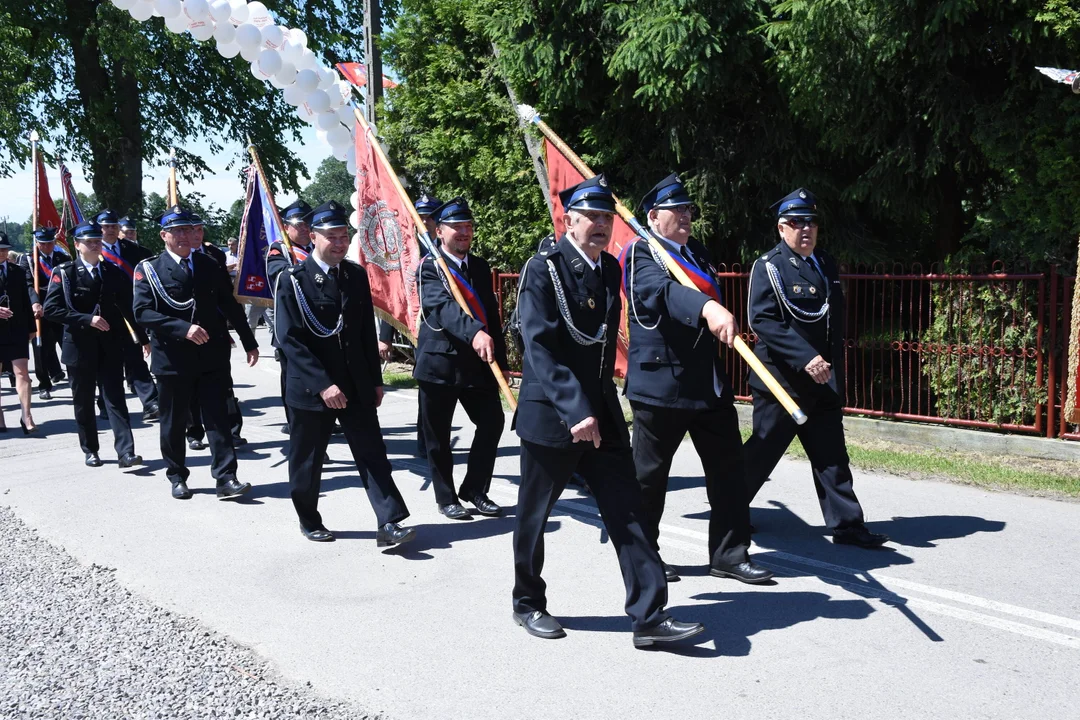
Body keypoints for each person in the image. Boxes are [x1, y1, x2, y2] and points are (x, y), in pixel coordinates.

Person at [511, 174, 704, 648]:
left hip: (602, 414)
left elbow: (601, 345)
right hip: (554, 414)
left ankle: (649, 615)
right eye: (590, 216)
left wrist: (602, 403)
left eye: (605, 217)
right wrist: (575, 409)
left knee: (628, 511)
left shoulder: (610, 270)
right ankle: (528, 602)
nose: (599, 225)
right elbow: (538, 345)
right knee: (535, 515)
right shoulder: (543, 268)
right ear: (568, 219)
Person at [624, 174, 773, 584]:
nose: (687, 216)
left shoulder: (699, 255)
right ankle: (645, 555)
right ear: (654, 217)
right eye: (678, 210)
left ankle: (729, 553)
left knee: (728, 472)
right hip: (661, 386)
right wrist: (707, 308)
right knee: (649, 480)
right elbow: (662, 294)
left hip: (707, 384)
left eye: (689, 209)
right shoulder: (641, 254)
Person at [743, 188, 889, 548]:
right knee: (760, 456)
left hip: (822, 381)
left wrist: (831, 368)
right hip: (783, 383)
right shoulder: (769, 267)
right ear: (782, 228)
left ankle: (848, 525)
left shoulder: (824, 263)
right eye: (796, 223)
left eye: (811, 222)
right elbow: (761, 320)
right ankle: (729, 511)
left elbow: (831, 324)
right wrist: (805, 357)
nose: (806, 229)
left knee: (832, 457)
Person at [274, 200, 416, 547]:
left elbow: (365, 332)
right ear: (312, 236)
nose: (339, 243)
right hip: (313, 389)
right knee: (307, 461)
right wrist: (323, 385)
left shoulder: (354, 275)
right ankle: (309, 519)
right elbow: (290, 340)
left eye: (343, 236)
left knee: (373, 455)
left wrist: (375, 380)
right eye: (332, 237)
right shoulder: (293, 280)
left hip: (355, 385)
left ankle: (390, 522)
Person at [132, 206, 259, 501]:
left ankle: (226, 477)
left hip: (211, 355)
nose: (185, 236)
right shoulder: (148, 269)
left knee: (218, 417)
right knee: (174, 422)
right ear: (164, 235)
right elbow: (142, 312)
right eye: (177, 231)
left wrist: (249, 340)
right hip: (173, 358)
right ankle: (177, 475)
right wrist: (181, 328)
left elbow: (229, 304)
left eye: (189, 230)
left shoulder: (208, 264)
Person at [414, 197, 507, 520]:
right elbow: (444, 309)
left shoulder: (479, 267)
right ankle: (446, 497)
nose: (464, 232)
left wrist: (502, 362)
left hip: (478, 364)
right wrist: (475, 333)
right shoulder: (430, 267)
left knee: (493, 422)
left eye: (468, 226)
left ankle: (475, 489)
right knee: (437, 437)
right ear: (439, 231)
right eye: (456, 227)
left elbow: (491, 317)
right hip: (439, 364)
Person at [44, 221, 144, 468]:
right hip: (78, 347)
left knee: (115, 399)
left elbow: (127, 307)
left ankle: (126, 452)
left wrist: (142, 337)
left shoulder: (112, 271)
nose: (95, 245)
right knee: (84, 401)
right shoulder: (64, 273)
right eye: (89, 242)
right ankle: (90, 449)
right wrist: (87, 319)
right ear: (77, 246)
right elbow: (51, 310)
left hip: (109, 345)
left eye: (97, 241)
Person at [378, 193, 441, 459]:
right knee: (428, 388)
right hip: (420, 328)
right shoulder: (405, 251)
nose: (423, 222)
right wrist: (385, 336)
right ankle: (426, 442)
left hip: (450, 329)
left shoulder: (447, 246)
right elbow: (392, 295)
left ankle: (438, 440)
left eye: (428, 217)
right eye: (420, 217)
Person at [185, 214, 245, 448]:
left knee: (224, 384)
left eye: (199, 229)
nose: (197, 234)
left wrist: (244, 335)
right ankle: (194, 431)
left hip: (216, 330)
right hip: (188, 332)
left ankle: (232, 429)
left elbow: (226, 296)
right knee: (191, 387)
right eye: (191, 230)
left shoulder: (214, 255)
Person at [95, 209, 160, 421]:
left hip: (130, 310)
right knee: (106, 362)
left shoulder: (132, 250)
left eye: (114, 226)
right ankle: (105, 403)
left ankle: (151, 402)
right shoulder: (92, 250)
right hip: (105, 313)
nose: (111, 230)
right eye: (106, 227)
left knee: (136, 357)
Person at [266, 199, 314, 435]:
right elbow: (279, 277)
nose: (305, 229)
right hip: (292, 327)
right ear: (286, 227)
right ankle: (296, 424)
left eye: (308, 224)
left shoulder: (317, 248)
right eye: (299, 225)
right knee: (295, 381)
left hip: (319, 327)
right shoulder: (279, 249)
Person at [18, 227, 69, 399]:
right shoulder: (28, 260)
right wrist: (35, 302)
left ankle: (76, 379)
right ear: (37, 243)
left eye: (50, 243)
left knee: (69, 345)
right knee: (41, 349)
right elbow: (27, 284)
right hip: (40, 310)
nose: (47, 246)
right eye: (43, 243)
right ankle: (44, 384)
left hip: (61, 309)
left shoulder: (63, 257)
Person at [0, 232, 37, 433]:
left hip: (17, 328)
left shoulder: (17, 271)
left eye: (5, 249)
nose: (2, 253)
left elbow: (25, 300)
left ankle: (27, 415)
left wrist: (32, 327)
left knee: (22, 371)